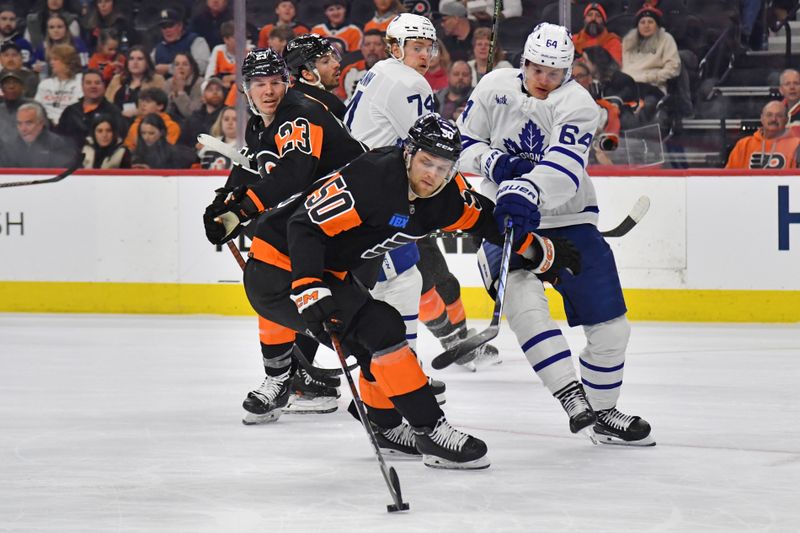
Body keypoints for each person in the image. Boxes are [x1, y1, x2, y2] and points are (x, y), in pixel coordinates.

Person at [204, 113, 579, 467]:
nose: (432, 174)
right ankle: (432, 431)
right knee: (381, 327)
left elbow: (488, 222)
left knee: (377, 341)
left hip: (327, 271)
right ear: (409, 153)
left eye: (444, 167)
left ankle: (385, 426)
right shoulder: (373, 177)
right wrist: (307, 286)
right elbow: (304, 226)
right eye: (427, 162)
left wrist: (541, 252)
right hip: (276, 268)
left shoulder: (446, 198)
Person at [457, 22, 655, 446]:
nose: (545, 81)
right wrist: (495, 165)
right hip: (502, 216)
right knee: (526, 305)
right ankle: (570, 395)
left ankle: (603, 413)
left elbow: (565, 167)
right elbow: (463, 141)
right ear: (524, 62)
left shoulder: (580, 105)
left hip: (568, 216)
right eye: (537, 70)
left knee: (613, 329)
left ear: (568, 71)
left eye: (555, 73)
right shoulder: (493, 85)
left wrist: (527, 188)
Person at [207, 48, 367, 421]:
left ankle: (384, 387)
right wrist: (221, 204)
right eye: (259, 84)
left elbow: (295, 172)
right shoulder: (261, 121)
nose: (268, 91)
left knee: (349, 315)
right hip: (324, 217)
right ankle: (284, 380)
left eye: (275, 82)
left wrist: (244, 207)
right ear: (246, 89)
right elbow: (254, 166)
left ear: (288, 82)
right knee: (271, 278)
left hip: (357, 221)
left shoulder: (299, 112)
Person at [345, 13, 499, 373]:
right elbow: (434, 152)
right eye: (416, 47)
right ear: (395, 47)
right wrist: (464, 199)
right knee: (399, 282)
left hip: (386, 191)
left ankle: (438, 347)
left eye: (430, 47)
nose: (426, 55)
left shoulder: (381, 71)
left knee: (419, 273)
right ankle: (393, 367)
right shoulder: (409, 83)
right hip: (375, 202)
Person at [621, 6, 680, 121]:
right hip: (628, 87)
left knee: (646, 108)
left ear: (657, 25)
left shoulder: (666, 39)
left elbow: (674, 67)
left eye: (650, 22)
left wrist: (653, 77)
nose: (646, 25)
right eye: (642, 22)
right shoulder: (628, 41)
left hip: (652, 87)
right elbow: (622, 66)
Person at [284, 33, 346, 120]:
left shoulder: (288, 95)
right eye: (325, 61)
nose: (337, 64)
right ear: (307, 74)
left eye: (334, 57)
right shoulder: (330, 105)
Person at [56, 69, 124, 145]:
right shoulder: (70, 111)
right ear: (82, 86)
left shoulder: (113, 112)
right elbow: (59, 137)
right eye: (88, 83)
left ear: (104, 86)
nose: (93, 86)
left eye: (97, 83)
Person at [725, 100, 800, 169]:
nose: (773, 119)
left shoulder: (797, 145)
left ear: (786, 120)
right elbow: (728, 177)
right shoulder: (744, 145)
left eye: (779, 115)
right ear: (762, 118)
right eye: (769, 115)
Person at [0, 101, 75, 167]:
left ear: (41, 123)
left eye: (28, 123)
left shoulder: (58, 144)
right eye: (19, 123)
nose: (23, 129)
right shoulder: (9, 146)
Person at [106, 45, 167, 121]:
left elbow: (162, 107)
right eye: (131, 59)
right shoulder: (117, 79)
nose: (135, 62)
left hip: (144, 123)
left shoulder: (157, 80)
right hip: (115, 122)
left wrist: (138, 113)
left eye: (140, 59)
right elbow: (106, 103)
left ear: (147, 62)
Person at [151, 8, 211, 77]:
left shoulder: (196, 41)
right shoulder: (158, 48)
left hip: (191, 85)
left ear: (180, 26)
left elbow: (202, 67)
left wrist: (169, 68)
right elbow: (147, 67)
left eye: (170, 25)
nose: (167, 30)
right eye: (164, 27)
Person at [33, 43, 82, 126]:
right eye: (51, 59)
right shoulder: (45, 84)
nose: (51, 63)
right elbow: (36, 108)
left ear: (67, 61)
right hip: (46, 126)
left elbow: (78, 110)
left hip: (70, 125)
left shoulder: (80, 81)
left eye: (55, 59)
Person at [30, 12, 89, 77]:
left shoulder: (77, 43)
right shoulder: (43, 46)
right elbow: (33, 63)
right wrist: (36, 67)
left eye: (59, 27)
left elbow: (85, 66)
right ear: (47, 30)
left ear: (66, 28)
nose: (56, 30)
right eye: (51, 27)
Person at [131, 112, 195, 169]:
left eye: (151, 133)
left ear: (161, 133)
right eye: (143, 133)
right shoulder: (135, 154)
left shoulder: (175, 154)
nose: (146, 137)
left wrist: (151, 171)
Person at [337, 28, 385, 101]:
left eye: (377, 44)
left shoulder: (394, 71)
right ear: (361, 48)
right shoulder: (349, 71)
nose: (372, 48)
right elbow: (341, 99)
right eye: (367, 44)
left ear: (385, 48)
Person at [176, 76, 224, 147]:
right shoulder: (194, 118)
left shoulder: (228, 115)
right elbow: (181, 144)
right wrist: (195, 147)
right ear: (202, 98)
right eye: (210, 90)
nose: (215, 92)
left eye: (218, 89)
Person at [167, 51, 203, 123]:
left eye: (185, 64)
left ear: (191, 68)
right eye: (177, 64)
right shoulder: (168, 83)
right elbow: (164, 111)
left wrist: (180, 92)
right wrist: (171, 97)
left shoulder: (200, 84)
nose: (180, 67)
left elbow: (191, 113)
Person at [0, 70, 32, 143]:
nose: (11, 86)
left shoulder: (34, 108)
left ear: (23, 87)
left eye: (15, 82)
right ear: (2, 89)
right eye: (7, 83)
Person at [204, 20, 237, 89]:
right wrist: (222, 81)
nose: (241, 40)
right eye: (236, 37)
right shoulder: (218, 50)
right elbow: (209, 77)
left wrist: (231, 78)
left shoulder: (250, 51)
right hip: (221, 89)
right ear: (226, 39)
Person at [778, 68, 800, 133]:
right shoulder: (776, 112)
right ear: (781, 90)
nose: (792, 87)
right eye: (787, 84)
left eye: (796, 83)